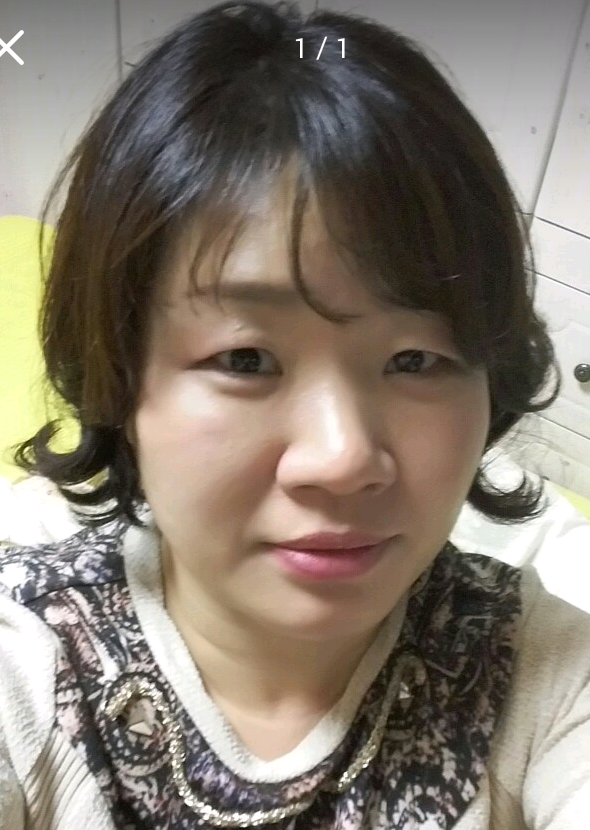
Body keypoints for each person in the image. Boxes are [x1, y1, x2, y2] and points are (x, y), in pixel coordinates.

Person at [0, 0, 588, 827]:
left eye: (415, 359)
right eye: (246, 359)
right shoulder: (29, 659)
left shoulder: (548, 675)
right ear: (119, 380)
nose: (344, 458)